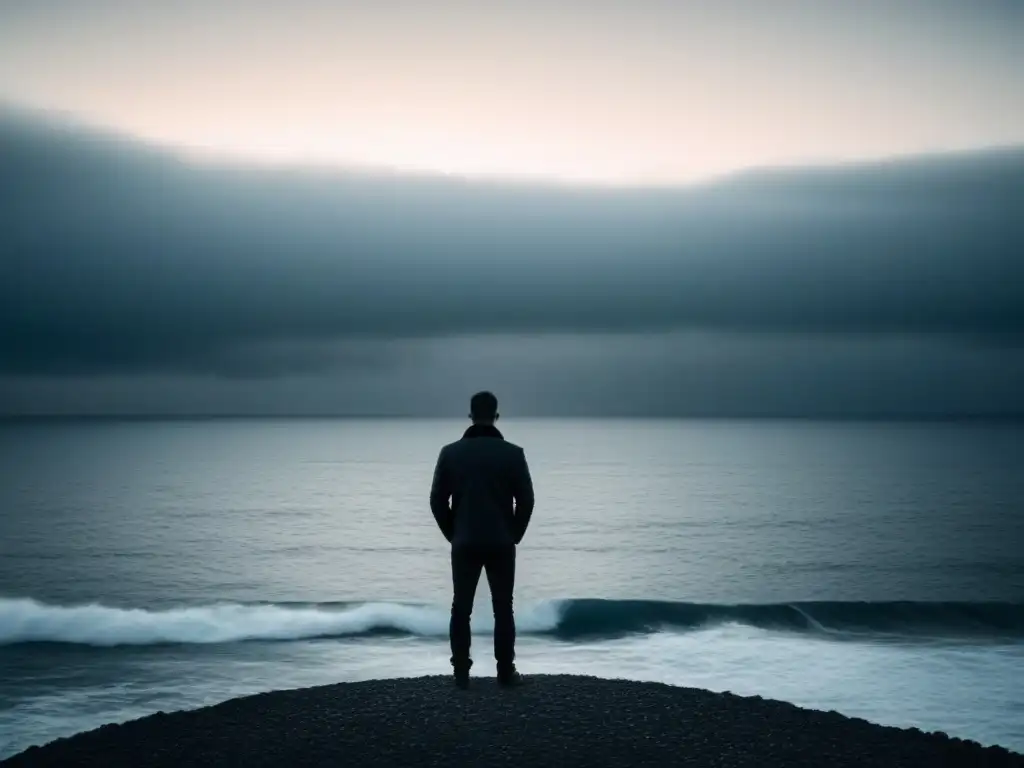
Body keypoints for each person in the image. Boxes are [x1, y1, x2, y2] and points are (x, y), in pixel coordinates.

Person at [429, 391, 535, 688]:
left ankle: (461, 673)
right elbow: (526, 500)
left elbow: (437, 500)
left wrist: (453, 533)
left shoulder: (450, 453)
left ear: (470, 416)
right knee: (503, 606)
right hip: (501, 541)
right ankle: (505, 671)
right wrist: (514, 533)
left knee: (461, 608)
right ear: (496, 416)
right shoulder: (513, 454)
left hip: (464, 541)